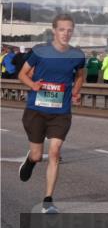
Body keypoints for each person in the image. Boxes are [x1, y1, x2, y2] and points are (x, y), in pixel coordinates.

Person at [17, 14, 87, 213]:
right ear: (54, 31)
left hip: (61, 112)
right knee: (39, 155)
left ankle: (48, 201)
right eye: (62, 29)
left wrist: (75, 91)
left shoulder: (78, 55)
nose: (66, 33)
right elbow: (22, 73)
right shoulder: (40, 51)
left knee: (55, 152)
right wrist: (33, 84)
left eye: (70, 30)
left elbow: (80, 76)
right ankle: (31, 160)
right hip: (36, 111)